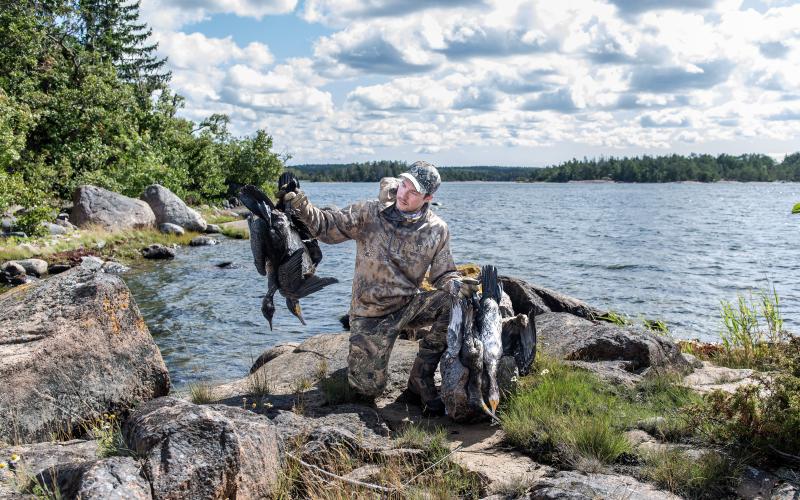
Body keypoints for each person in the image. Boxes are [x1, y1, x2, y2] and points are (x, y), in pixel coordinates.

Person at [282, 161, 476, 415]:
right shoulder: (369, 213)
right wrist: (301, 205)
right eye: (404, 184)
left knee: (456, 302)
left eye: (413, 191)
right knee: (367, 391)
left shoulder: (437, 229)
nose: (404, 194)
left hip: (408, 305)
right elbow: (327, 227)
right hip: (369, 315)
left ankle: (421, 377)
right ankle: (363, 358)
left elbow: (443, 273)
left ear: (428, 197)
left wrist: (455, 285)